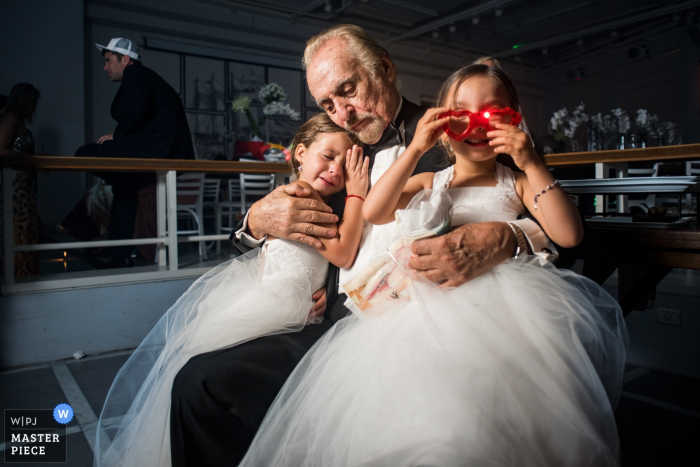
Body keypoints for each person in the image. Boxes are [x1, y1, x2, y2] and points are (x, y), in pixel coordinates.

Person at [170, 24, 557, 466]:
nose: (344, 114)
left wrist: (510, 237)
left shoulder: (456, 132)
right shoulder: (335, 153)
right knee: (198, 385)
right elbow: (273, 231)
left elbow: (548, 214)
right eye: (328, 104)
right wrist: (255, 222)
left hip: (421, 333)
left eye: (348, 90)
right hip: (328, 323)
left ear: (386, 69)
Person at [240, 64, 628, 467]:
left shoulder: (516, 181)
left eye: (493, 114)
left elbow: (568, 235)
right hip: (424, 310)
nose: (477, 124)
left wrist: (530, 160)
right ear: (443, 124)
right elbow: (375, 210)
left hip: (505, 308)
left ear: (514, 120)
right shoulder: (431, 180)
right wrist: (414, 150)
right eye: (461, 114)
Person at [93, 113, 369, 467]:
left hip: (299, 313)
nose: (335, 169)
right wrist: (255, 219)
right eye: (327, 156)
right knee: (196, 376)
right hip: (271, 305)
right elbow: (269, 237)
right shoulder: (300, 196)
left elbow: (336, 257)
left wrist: (330, 289)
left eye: (343, 165)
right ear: (301, 152)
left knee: (205, 377)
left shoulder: (333, 202)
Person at [75, 38, 194, 267]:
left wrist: (116, 135)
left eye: (109, 61)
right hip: (160, 147)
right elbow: (141, 114)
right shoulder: (143, 77)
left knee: (83, 153)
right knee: (124, 189)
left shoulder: (135, 74)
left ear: (125, 60)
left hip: (160, 149)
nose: (105, 67)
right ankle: (120, 255)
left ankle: (120, 254)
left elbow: (135, 111)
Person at [0, 83, 45, 276]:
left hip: (22, 185)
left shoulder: (16, 120)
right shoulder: (12, 119)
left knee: (25, 229)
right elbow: (0, 148)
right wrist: (31, 159)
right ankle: (18, 273)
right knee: (19, 229)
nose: (35, 107)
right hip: (15, 187)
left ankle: (21, 272)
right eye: (34, 102)